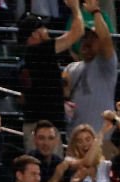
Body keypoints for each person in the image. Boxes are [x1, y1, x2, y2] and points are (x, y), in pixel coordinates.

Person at [16, 0, 84, 149]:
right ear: (35, 33)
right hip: (44, 127)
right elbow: (77, 32)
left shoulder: (27, 56)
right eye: (43, 28)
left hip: (35, 123)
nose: (46, 30)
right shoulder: (40, 50)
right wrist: (75, 8)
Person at [63, 0, 117, 134]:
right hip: (76, 140)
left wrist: (96, 12)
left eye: (92, 39)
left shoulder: (106, 65)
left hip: (101, 139)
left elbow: (105, 39)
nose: (87, 42)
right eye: (85, 38)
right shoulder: (71, 68)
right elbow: (64, 92)